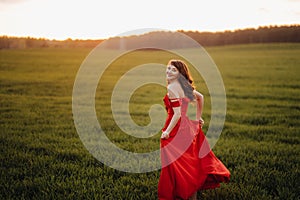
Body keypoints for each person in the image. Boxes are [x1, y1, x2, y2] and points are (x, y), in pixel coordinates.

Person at [158, 59, 230, 200]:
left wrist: (167, 132)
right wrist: (197, 118)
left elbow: (177, 114)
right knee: (188, 162)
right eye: (168, 68)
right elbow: (200, 97)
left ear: (180, 74)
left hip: (176, 128)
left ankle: (180, 192)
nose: (169, 71)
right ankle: (191, 195)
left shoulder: (172, 88)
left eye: (173, 70)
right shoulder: (183, 86)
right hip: (187, 128)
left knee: (176, 164)